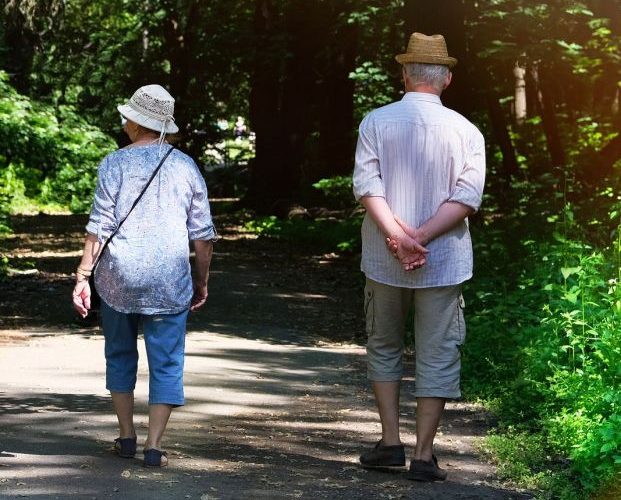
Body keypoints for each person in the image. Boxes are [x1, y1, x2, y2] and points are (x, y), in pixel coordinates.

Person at [352, 33, 485, 481]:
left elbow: (367, 186)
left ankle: (390, 442)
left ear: (405, 73)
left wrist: (398, 238)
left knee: (384, 343)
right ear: (446, 78)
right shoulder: (467, 131)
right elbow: (467, 197)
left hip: (384, 257)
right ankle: (424, 455)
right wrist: (422, 237)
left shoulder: (375, 121)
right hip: (443, 258)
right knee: (438, 351)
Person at [71, 84, 217, 467]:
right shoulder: (186, 167)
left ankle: (126, 437)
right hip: (170, 280)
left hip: (119, 278)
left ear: (135, 122)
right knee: (167, 361)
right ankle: (154, 446)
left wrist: (83, 275)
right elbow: (202, 235)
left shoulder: (113, 163)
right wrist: (201, 280)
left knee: (119, 354)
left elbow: (98, 227)